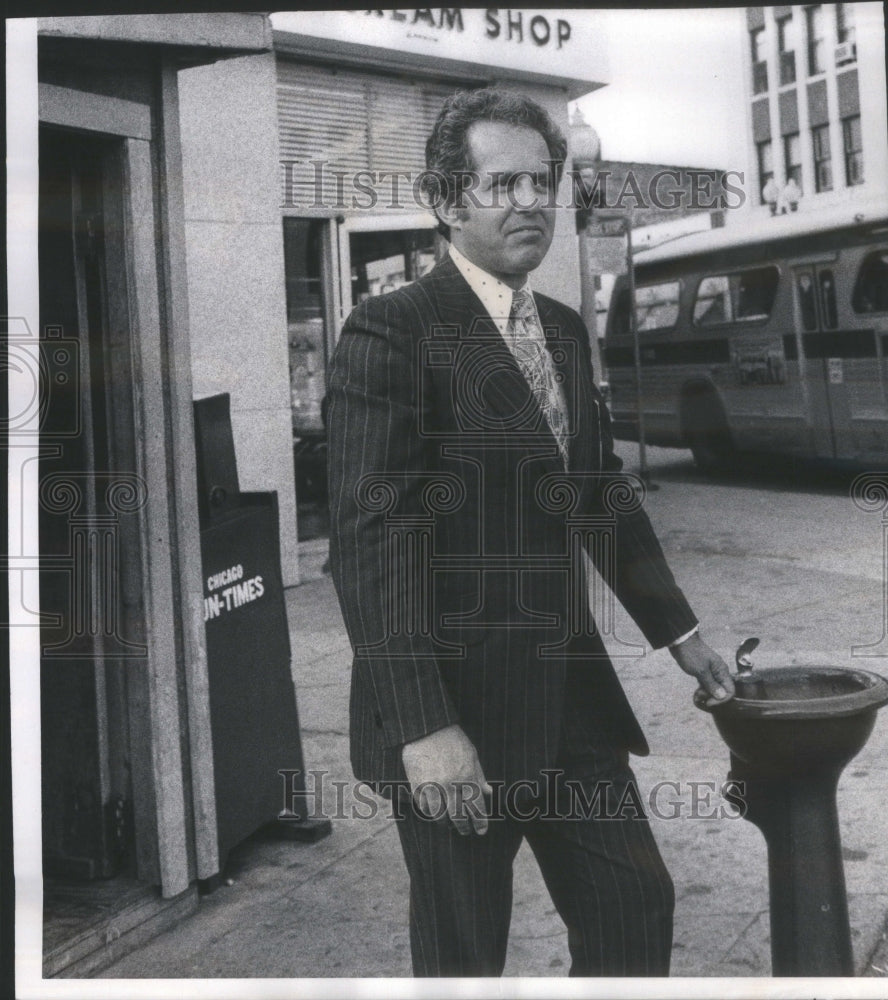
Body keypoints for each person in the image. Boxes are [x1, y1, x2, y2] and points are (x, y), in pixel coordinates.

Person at [326, 88, 734, 977]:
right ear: (446, 201)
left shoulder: (561, 330)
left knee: (635, 906)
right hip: (455, 714)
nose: (529, 202)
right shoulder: (391, 330)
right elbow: (371, 541)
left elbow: (599, 493)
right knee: (465, 957)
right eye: (502, 183)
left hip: (570, 701)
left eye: (541, 183)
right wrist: (424, 726)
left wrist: (683, 633)